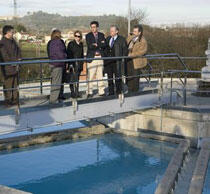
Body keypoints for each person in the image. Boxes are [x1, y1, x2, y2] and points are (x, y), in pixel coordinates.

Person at [0, 25, 21, 106]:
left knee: (15, 84)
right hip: (7, 68)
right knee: (8, 85)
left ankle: (15, 100)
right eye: (12, 32)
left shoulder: (13, 41)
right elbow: (4, 56)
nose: (13, 33)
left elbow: (18, 50)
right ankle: (8, 101)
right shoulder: (2, 43)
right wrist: (14, 61)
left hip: (15, 67)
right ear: (7, 32)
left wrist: (19, 59)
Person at [105, 25, 128, 96]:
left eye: (112, 31)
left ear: (116, 31)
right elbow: (105, 48)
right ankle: (111, 92)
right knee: (110, 78)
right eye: (110, 30)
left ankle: (118, 91)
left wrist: (122, 59)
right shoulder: (108, 38)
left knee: (118, 77)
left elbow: (125, 50)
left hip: (117, 62)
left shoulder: (122, 39)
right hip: (109, 62)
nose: (110, 32)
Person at [86, 21, 106, 98]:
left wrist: (96, 44)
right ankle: (89, 92)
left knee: (100, 75)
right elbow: (90, 46)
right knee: (91, 76)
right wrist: (99, 44)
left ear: (97, 27)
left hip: (100, 57)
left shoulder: (101, 35)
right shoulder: (88, 36)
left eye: (94, 27)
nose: (93, 29)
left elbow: (104, 45)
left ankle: (101, 91)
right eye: (91, 27)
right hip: (92, 58)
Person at [47, 29, 67, 104]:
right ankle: (53, 100)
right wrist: (65, 56)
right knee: (57, 83)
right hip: (58, 64)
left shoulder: (51, 42)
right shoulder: (58, 42)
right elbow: (60, 54)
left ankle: (55, 98)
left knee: (54, 82)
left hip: (52, 63)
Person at [127, 24, 148, 93]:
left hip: (136, 61)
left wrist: (132, 54)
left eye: (135, 31)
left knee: (135, 77)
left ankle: (135, 92)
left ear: (140, 32)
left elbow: (142, 51)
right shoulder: (131, 38)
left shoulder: (143, 40)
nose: (134, 32)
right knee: (129, 76)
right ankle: (130, 90)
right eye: (133, 31)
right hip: (129, 60)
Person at [67, 30, 84, 98]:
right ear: (74, 36)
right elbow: (69, 54)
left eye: (78, 36)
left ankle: (77, 92)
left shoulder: (81, 44)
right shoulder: (71, 44)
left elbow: (82, 54)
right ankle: (72, 93)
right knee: (72, 79)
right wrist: (70, 64)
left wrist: (82, 63)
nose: (77, 37)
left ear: (80, 37)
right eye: (76, 36)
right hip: (72, 64)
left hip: (79, 64)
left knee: (77, 79)